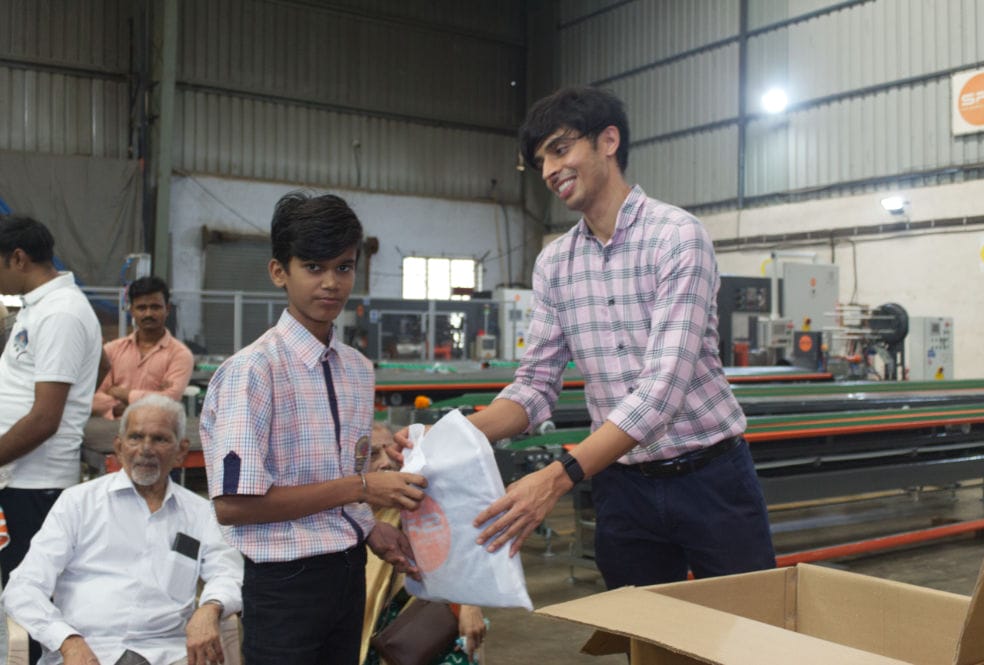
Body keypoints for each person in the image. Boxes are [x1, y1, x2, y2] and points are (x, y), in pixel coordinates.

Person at [408, 86, 776, 589]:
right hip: (622, 489)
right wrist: (441, 440)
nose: (549, 169)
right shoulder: (555, 263)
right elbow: (535, 386)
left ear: (608, 140)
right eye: (540, 160)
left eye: (560, 149)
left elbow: (661, 393)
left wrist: (558, 476)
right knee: (642, 638)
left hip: (709, 478)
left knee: (751, 627)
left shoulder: (677, 237)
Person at [200, 191, 428, 665]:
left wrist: (368, 528)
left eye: (343, 268)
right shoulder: (253, 373)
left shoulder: (357, 370)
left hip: (348, 573)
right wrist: (364, 487)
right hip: (285, 585)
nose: (330, 283)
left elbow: (343, 472)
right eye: (314, 267)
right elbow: (234, 505)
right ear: (279, 272)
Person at [1, 394, 243, 665]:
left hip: (168, 653)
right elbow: (23, 587)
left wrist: (210, 607)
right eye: (136, 437)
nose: (146, 449)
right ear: (118, 446)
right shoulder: (78, 503)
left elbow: (229, 574)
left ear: (181, 451)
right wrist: (67, 640)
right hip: (87, 651)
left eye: (160, 439)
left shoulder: (200, 513)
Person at [0, 215, 103, 591]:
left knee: (30, 597)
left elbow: (45, 419)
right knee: (17, 592)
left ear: (18, 258)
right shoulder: (37, 307)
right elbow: (101, 364)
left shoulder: (60, 312)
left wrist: (68, 414)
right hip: (18, 476)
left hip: (34, 483)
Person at [362, 422, 486, 665]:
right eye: (373, 454)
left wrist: (470, 606)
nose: (387, 463)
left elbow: (462, 556)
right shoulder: (342, 516)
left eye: (393, 451)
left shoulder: (423, 504)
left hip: (424, 629)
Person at [92, 276, 195, 419]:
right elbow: (92, 397)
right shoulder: (112, 350)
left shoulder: (180, 355)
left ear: (168, 309)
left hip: (156, 433)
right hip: (107, 434)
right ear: (131, 310)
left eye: (155, 307)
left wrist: (122, 393)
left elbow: (169, 400)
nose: (148, 314)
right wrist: (118, 407)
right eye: (141, 308)